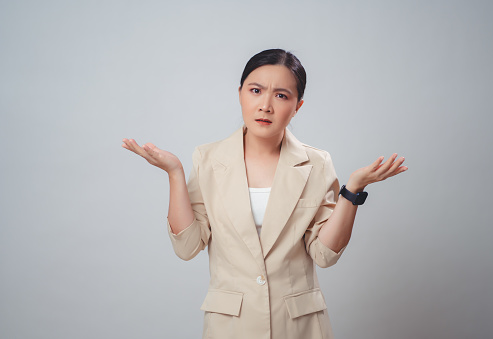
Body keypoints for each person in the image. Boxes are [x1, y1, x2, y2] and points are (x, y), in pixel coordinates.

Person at [122, 49, 407, 339]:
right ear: (240, 93)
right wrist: (175, 174)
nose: (265, 106)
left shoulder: (317, 163)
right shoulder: (207, 159)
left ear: (298, 106)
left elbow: (324, 254)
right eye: (256, 90)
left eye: (281, 95)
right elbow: (187, 247)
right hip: (231, 325)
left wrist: (353, 191)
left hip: (299, 326)